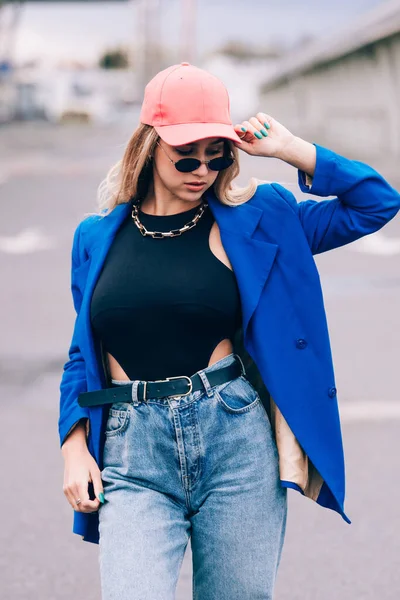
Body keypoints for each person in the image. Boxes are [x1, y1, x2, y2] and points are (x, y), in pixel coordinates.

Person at [59, 62, 400, 599]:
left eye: (217, 158)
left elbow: (377, 203)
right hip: (132, 452)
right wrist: (73, 446)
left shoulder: (262, 216)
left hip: (235, 442)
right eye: (187, 157)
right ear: (149, 147)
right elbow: (81, 354)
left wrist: (292, 149)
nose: (203, 171)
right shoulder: (96, 236)